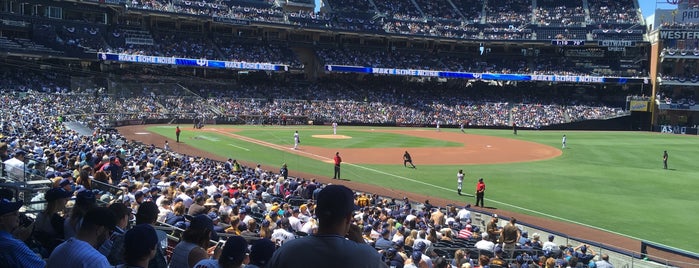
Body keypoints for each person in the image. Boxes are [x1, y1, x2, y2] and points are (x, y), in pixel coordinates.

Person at [267, 185, 387, 268]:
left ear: (317, 212)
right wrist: (362, 244)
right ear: (349, 217)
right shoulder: (367, 256)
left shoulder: (287, 251)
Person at [47, 207, 118, 268]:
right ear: (100, 230)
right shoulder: (97, 261)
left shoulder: (59, 249)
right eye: (109, 232)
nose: (108, 237)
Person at [0, 198, 46, 267]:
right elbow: (42, 266)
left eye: (18, 213)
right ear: (1, 220)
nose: (18, 216)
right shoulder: (14, 245)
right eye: (14, 213)